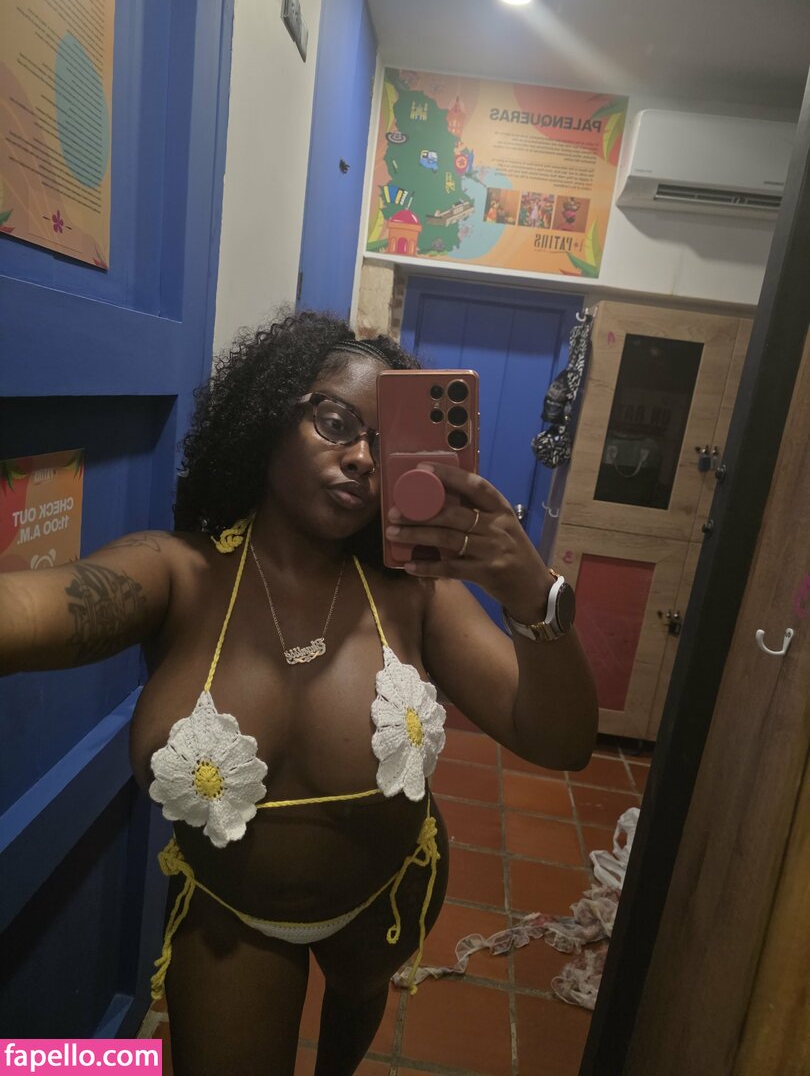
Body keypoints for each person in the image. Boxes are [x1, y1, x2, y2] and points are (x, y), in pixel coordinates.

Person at [0, 311, 598, 1075]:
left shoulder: (416, 594)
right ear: (268, 416)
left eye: (385, 445)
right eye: (335, 423)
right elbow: (29, 612)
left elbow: (561, 740)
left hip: (388, 891)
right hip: (234, 922)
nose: (363, 460)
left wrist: (533, 595)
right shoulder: (177, 574)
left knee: (358, 995)